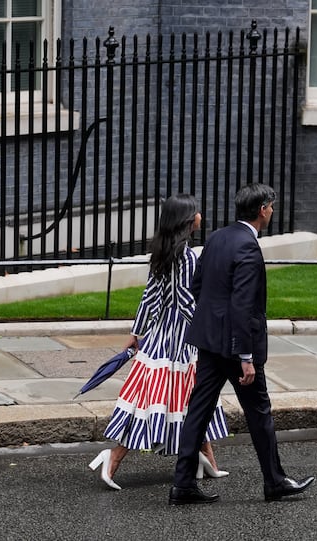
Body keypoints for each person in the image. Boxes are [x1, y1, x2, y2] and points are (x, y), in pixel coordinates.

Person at [169, 183, 315, 504]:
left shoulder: (218, 238)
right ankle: (275, 482)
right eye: (271, 206)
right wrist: (245, 356)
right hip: (237, 349)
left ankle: (182, 485)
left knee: (198, 411)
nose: (273, 211)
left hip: (210, 343)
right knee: (259, 413)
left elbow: (198, 286)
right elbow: (244, 305)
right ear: (262, 210)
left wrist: (213, 326)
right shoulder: (248, 247)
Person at [88, 193, 230, 490]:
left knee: (183, 399)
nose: (201, 216)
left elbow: (149, 297)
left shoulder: (162, 252)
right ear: (189, 220)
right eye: (198, 212)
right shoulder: (187, 257)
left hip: (160, 338)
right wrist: (209, 333)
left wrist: (135, 335)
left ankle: (209, 461)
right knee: (174, 399)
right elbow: (184, 302)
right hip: (179, 343)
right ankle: (112, 457)